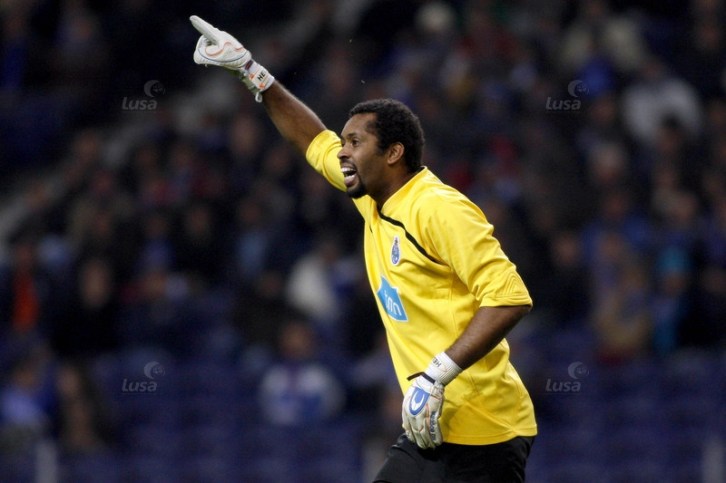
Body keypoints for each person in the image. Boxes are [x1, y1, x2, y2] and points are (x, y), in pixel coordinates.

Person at [190, 15, 537, 482]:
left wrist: (436, 374)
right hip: (433, 426)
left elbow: (509, 297)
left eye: (355, 142)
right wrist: (253, 73)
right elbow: (312, 139)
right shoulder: (375, 197)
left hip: (484, 429)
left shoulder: (438, 209)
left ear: (392, 154)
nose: (343, 152)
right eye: (345, 142)